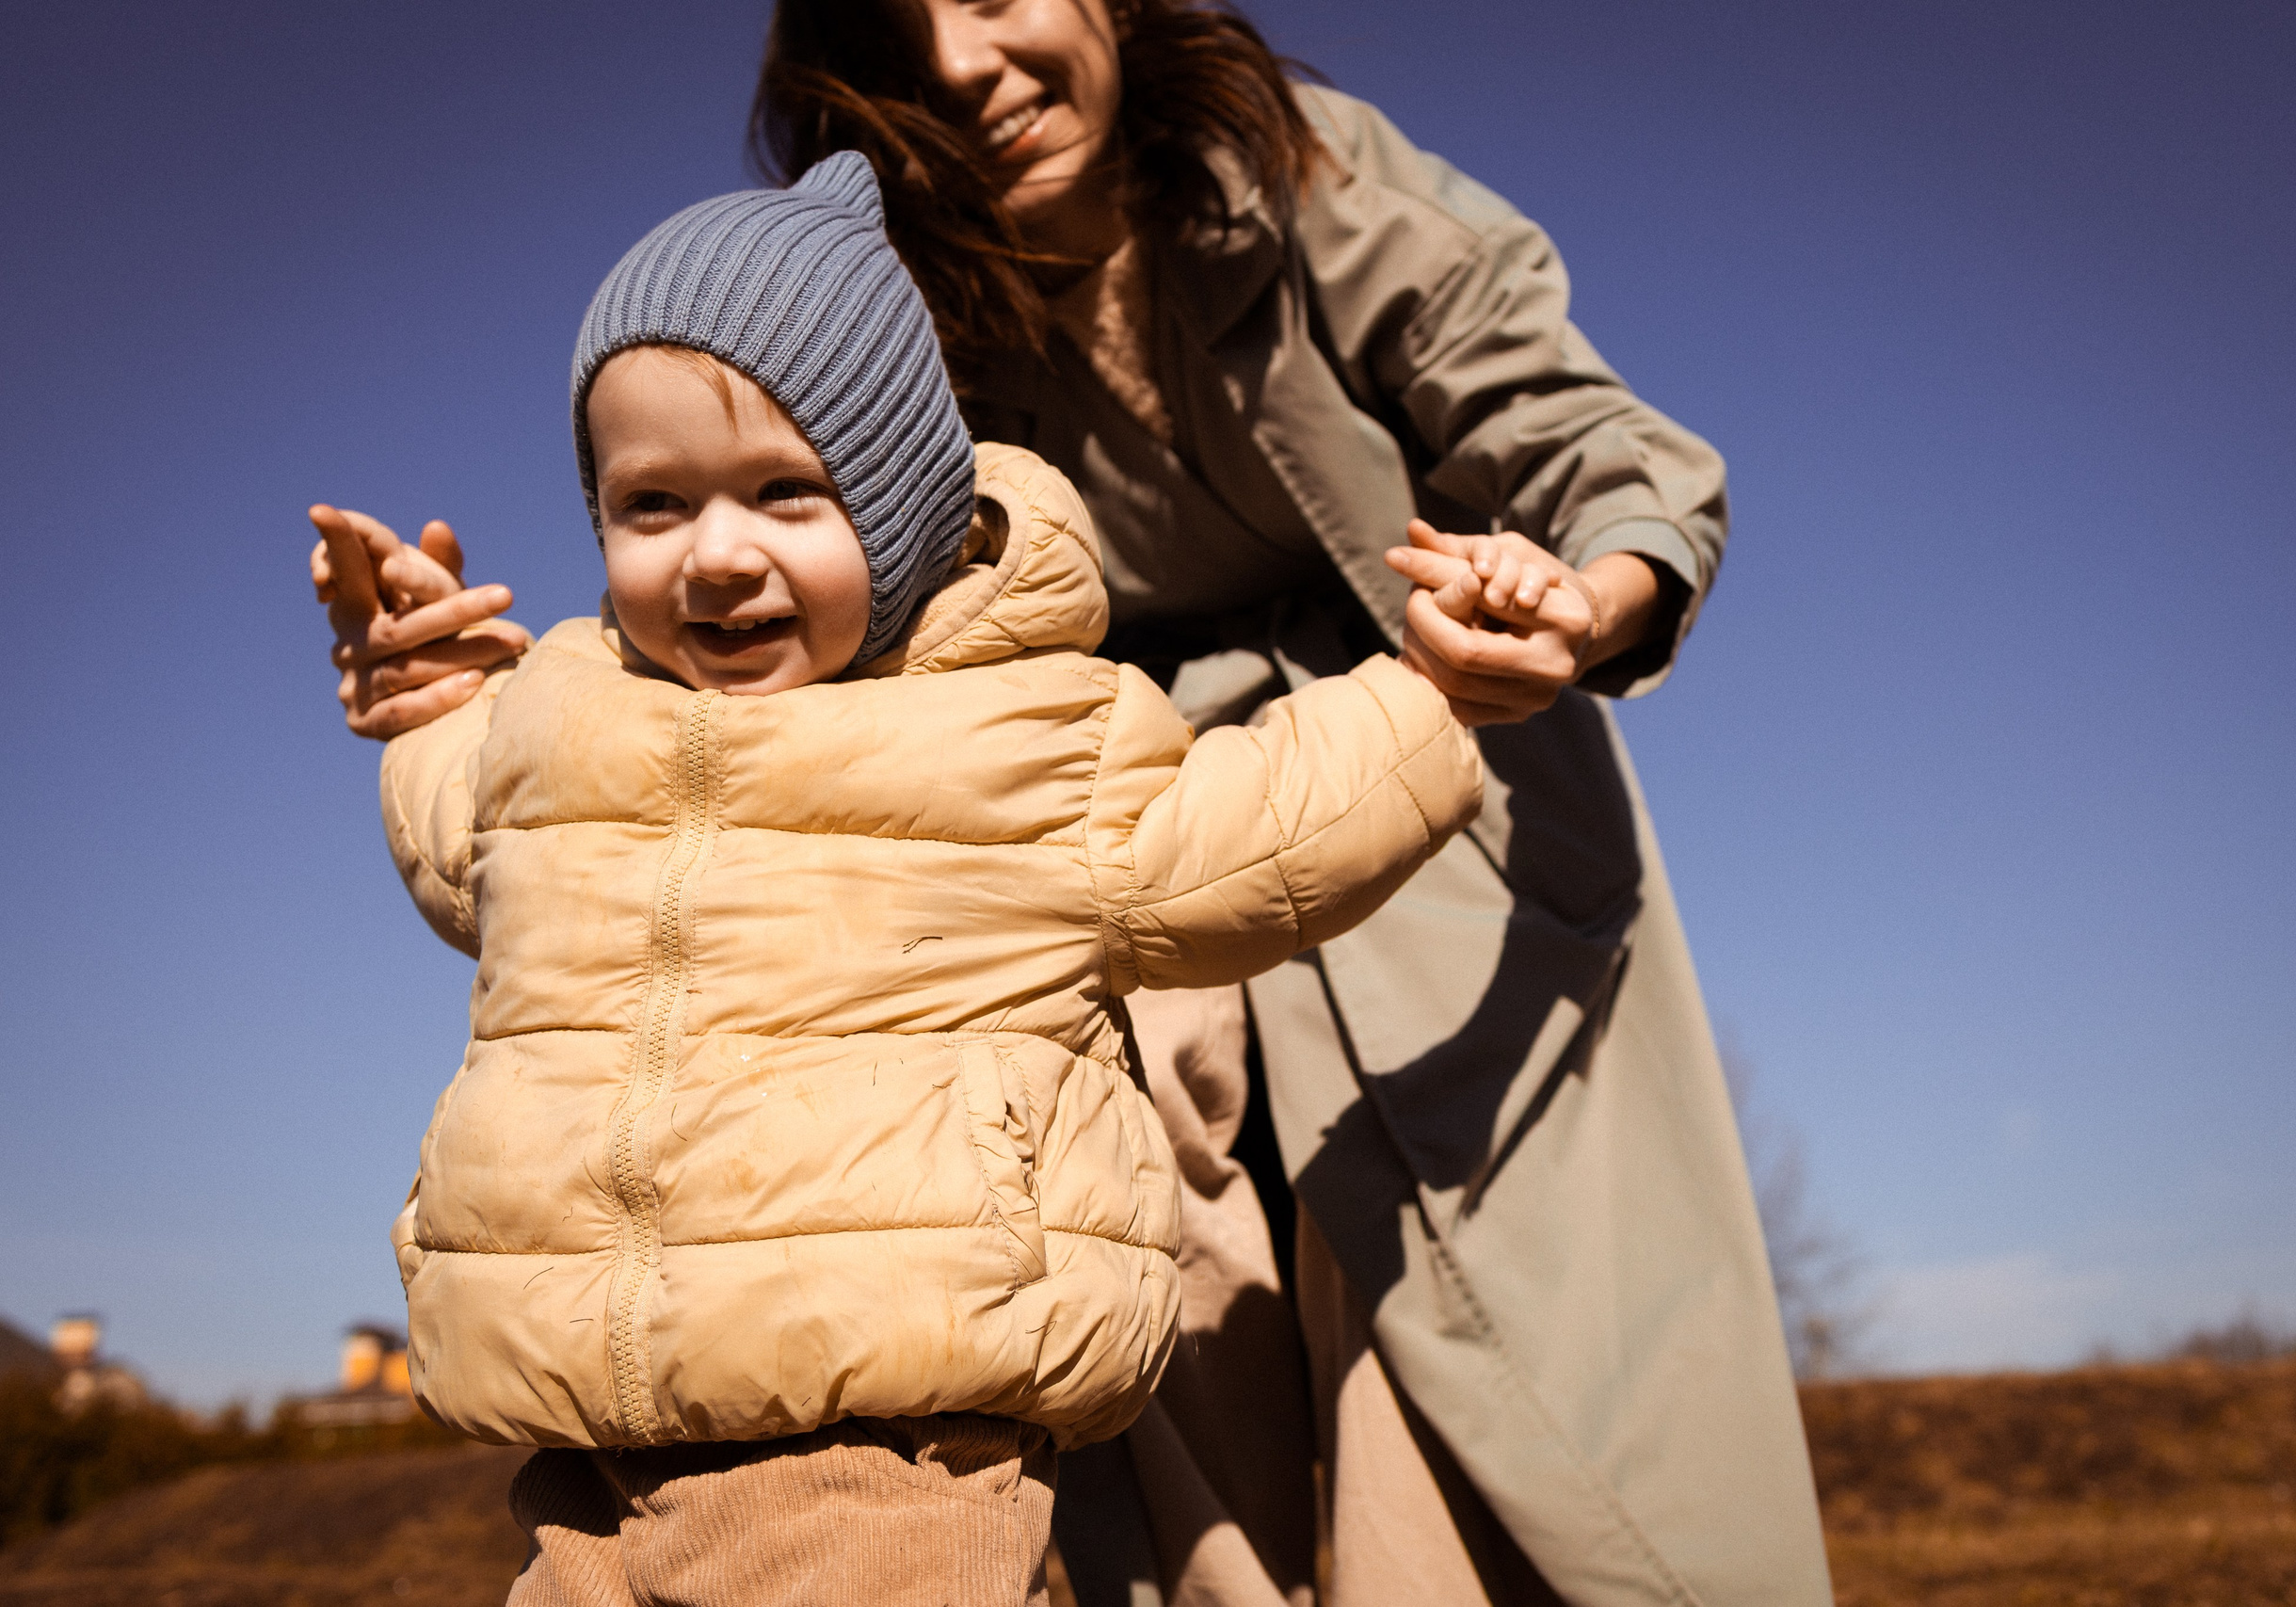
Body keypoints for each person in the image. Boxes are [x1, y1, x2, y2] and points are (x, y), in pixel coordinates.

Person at [316, 3, 1833, 1602]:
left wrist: (1579, 603)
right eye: (904, 27)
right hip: (1015, 854)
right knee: (1111, 1286)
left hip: (1404, 765)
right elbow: (657, 758)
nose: (965, 61)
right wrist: (455, 706)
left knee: (1464, 1334)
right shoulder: (871, 293)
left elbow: (1579, 438)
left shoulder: (1303, 183)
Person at [337, 151, 1485, 1605]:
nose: (718, 555)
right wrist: (439, 700)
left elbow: (1255, 830)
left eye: (787, 493)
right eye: (654, 504)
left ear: (901, 510)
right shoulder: (568, 727)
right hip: (588, 1457)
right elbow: (473, 841)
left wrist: (1435, 690)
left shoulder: (1020, 738)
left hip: (891, 1438)